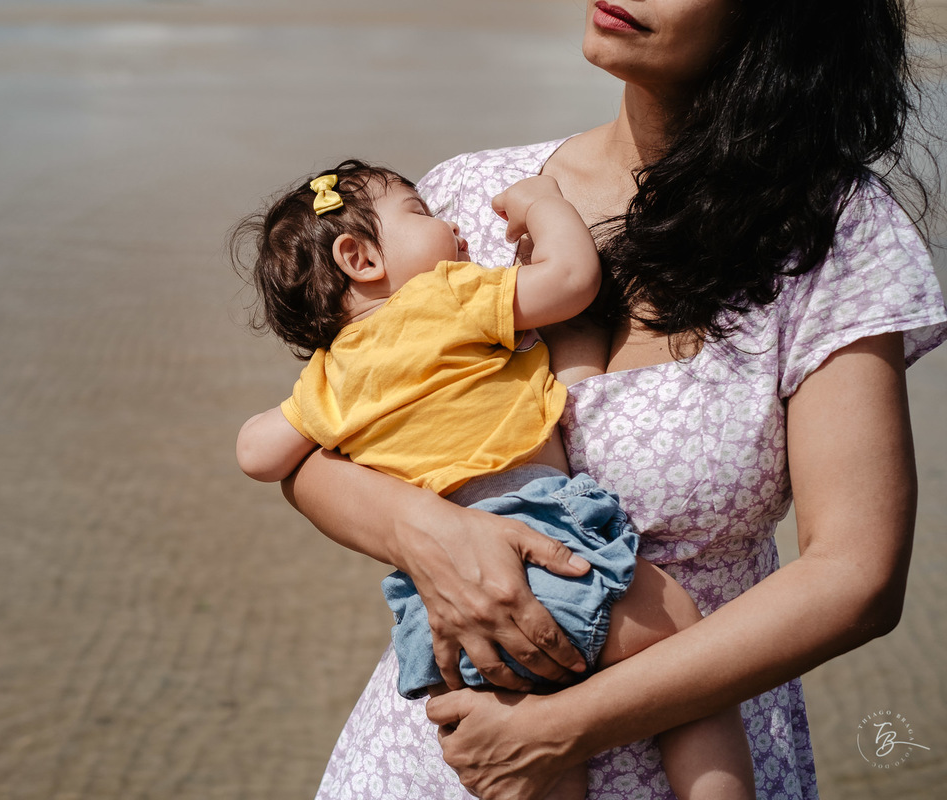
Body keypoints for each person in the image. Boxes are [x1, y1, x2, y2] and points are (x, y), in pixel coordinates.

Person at [278, 1, 947, 798]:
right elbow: (314, 450)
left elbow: (856, 575)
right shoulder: (466, 203)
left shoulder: (831, 234)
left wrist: (556, 732)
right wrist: (425, 531)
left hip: (692, 766)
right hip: (439, 761)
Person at [233, 161, 755, 799]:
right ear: (360, 256)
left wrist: (309, 406)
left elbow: (258, 455)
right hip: (539, 540)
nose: (452, 223)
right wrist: (541, 202)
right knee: (687, 648)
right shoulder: (447, 294)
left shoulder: (327, 377)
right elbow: (570, 280)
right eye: (421, 214)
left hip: (441, 608)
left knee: (538, 759)